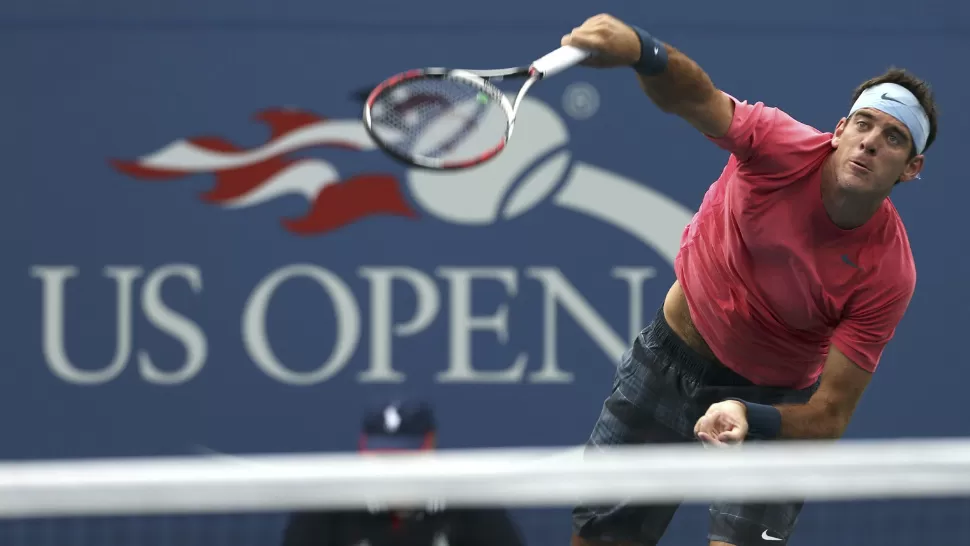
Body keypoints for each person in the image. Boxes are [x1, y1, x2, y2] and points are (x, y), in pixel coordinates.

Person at [559, 13, 937, 546]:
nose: (872, 142)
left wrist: (750, 415)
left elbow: (829, 415)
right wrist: (643, 51)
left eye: (893, 137)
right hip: (671, 364)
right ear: (839, 132)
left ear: (911, 167)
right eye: (864, 124)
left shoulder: (890, 272)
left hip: (775, 402)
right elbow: (695, 98)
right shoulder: (778, 146)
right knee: (602, 540)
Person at [280, 399, 527, 546]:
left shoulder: (472, 508)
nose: (392, 470)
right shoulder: (325, 510)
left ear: (430, 447)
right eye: (382, 458)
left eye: (404, 458)